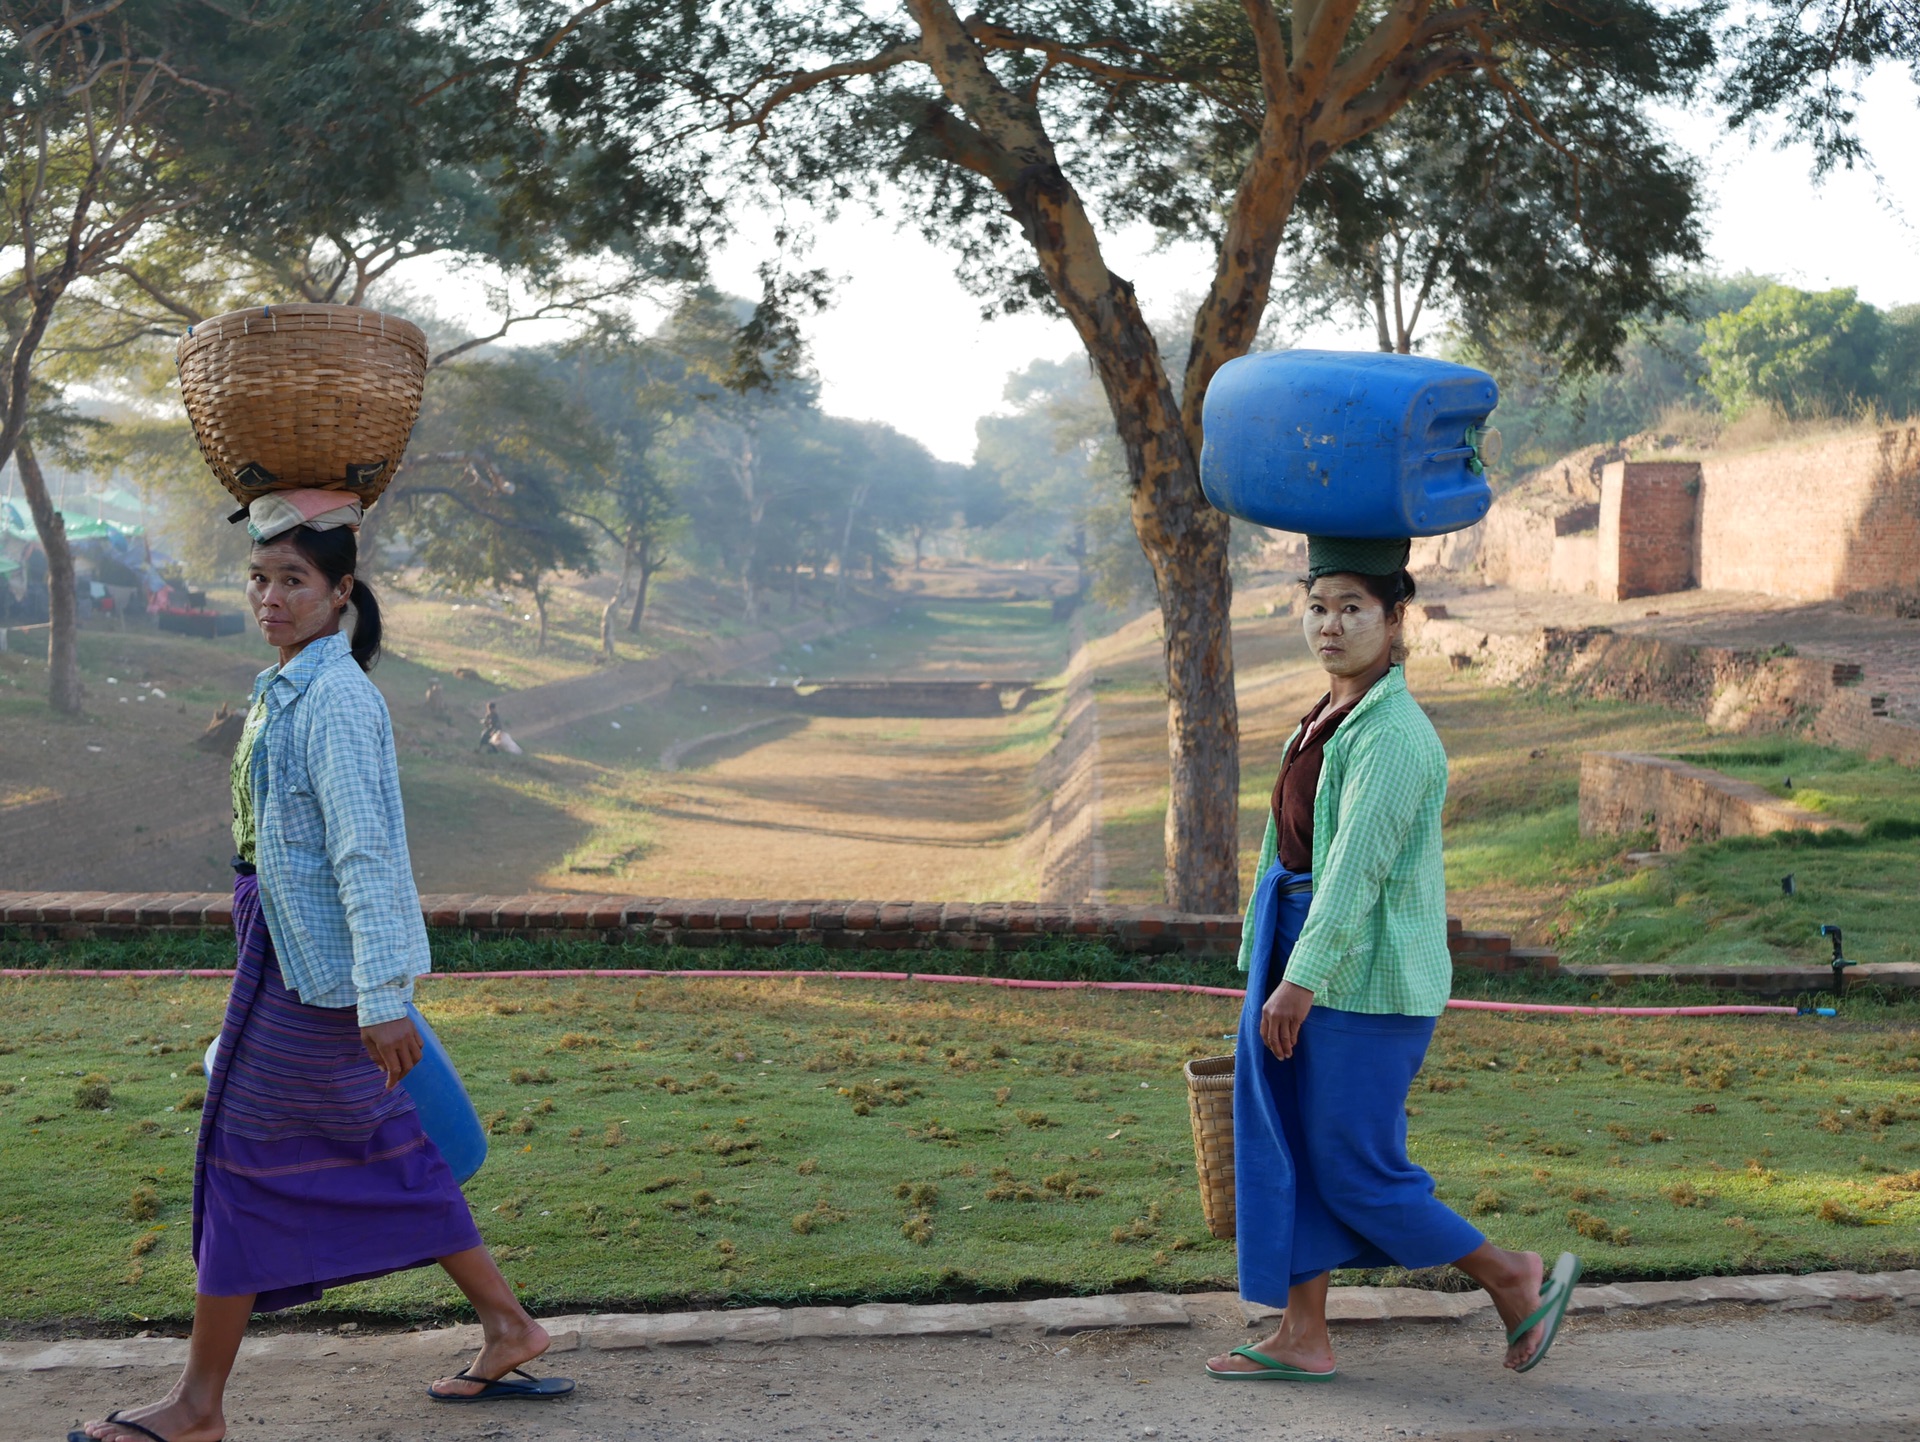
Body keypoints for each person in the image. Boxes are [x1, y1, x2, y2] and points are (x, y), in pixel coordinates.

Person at [73, 489, 570, 1442]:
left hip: (319, 975)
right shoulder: (289, 685)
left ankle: (198, 1405)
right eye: (259, 579)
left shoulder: (337, 701)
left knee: (240, 1156)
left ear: (340, 591)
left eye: (293, 581)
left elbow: (367, 853)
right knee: (378, 1138)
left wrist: (383, 998)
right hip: (286, 952)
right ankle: (508, 1324)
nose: (271, 598)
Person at [1205, 536, 1579, 1384]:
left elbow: (1354, 871)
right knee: (1297, 1148)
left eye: (1351, 609)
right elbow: (1289, 847)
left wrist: (1300, 981)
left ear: (1393, 618)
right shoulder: (1330, 714)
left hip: (1362, 983)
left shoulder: (1396, 737)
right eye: (1318, 606)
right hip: (1304, 961)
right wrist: (1264, 962)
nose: (1329, 625)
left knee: (1356, 1167)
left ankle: (1510, 1274)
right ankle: (1303, 1334)